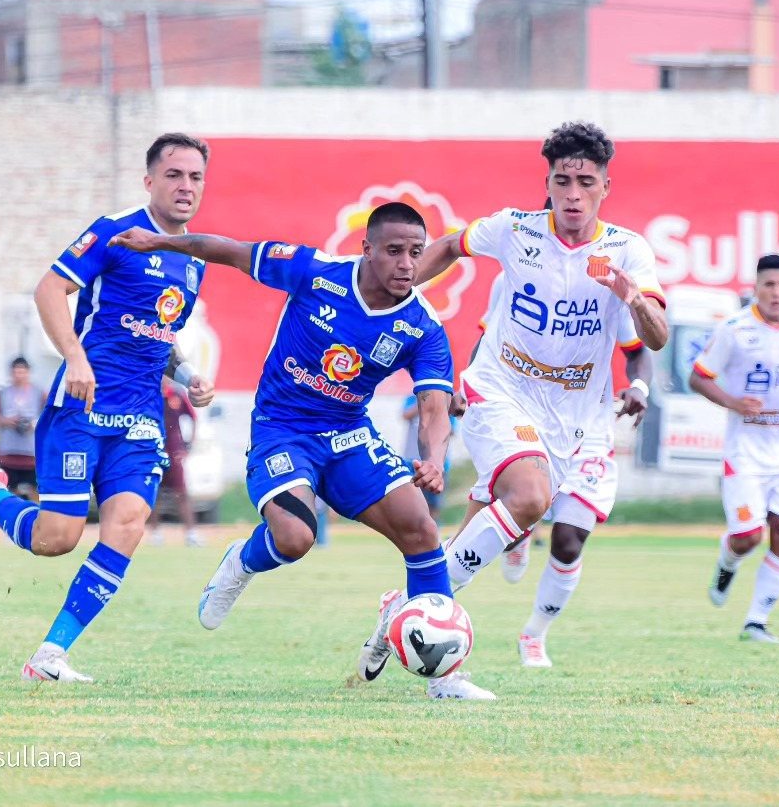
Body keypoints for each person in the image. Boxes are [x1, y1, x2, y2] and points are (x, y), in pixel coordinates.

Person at [110, 201, 494, 700]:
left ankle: (444, 679)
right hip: (282, 429)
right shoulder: (315, 272)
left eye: (415, 253)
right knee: (294, 538)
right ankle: (240, 564)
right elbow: (228, 250)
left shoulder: (423, 326)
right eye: (394, 251)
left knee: (421, 528)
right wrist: (158, 240)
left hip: (349, 435)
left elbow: (434, 408)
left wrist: (434, 458)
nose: (406, 264)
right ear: (367, 248)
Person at [0, 133, 216, 683]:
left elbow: (159, 338)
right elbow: (48, 290)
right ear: (150, 181)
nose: (186, 186)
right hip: (81, 408)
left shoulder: (193, 261)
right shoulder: (113, 230)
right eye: (175, 175)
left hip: (139, 420)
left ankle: (49, 656)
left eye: (196, 177)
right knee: (56, 539)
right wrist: (75, 356)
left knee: (129, 523)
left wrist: (186, 376)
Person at [412, 121, 668, 603]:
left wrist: (634, 299)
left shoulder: (627, 251)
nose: (573, 195)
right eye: (562, 181)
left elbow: (654, 340)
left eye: (586, 182)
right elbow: (449, 246)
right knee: (529, 499)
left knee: (493, 524)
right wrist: (396, 293)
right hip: (502, 389)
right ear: (547, 184)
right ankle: (429, 600)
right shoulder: (515, 229)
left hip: (574, 415)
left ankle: (420, 602)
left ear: (605, 188)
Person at [455, 271, 653, 666]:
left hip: (588, 429)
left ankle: (534, 635)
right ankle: (520, 533)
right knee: (514, 520)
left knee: (569, 541)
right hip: (525, 421)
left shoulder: (607, 283)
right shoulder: (512, 272)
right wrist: (468, 387)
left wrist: (640, 388)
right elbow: (487, 338)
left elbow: (638, 350)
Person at [690, 253, 779, 643]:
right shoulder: (734, 330)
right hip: (746, 449)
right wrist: (733, 402)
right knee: (748, 536)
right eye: (769, 284)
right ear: (755, 288)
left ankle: (756, 621)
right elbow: (698, 378)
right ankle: (727, 560)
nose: (777, 292)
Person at [146, 385, 205, 547]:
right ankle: (155, 533)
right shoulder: (149, 389)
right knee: (153, 492)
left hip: (174, 451)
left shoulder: (177, 393)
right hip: (152, 449)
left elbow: (192, 417)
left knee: (182, 492)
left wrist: (189, 445)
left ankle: (191, 534)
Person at [0, 356, 45, 501]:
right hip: (8, 452)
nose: (19, 375)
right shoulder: (0, 394)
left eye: (22, 372)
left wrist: (33, 424)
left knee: (36, 490)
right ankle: (11, 518)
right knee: (9, 490)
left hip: (32, 453)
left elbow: (48, 418)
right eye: (16, 372)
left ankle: (37, 519)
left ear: (28, 372)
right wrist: (8, 421)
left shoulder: (40, 394)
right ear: (11, 373)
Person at [400, 392, 457, 524]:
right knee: (412, 505)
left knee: (434, 506)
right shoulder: (411, 398)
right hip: (412, 460)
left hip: (437, 463)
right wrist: (425, 401)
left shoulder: (446, 401)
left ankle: (434, 537)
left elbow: (452, 431)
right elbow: (405, 415)